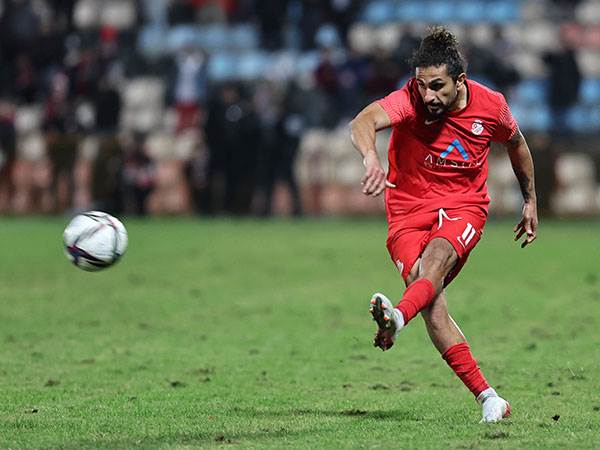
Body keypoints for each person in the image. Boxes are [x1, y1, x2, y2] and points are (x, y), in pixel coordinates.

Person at [349, 27, 538, 423]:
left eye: (437, 86)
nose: (428, 95)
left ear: (460, 81)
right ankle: (490, 399)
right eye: (422, 85)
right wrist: (370, 157)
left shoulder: (491, 106)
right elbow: (363, 120)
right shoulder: (409, 101)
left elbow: (516, 143)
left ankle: (397, 318)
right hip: (406, 211)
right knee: (431, 305)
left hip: (463, 205)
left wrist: (530, 199)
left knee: (433, 264)